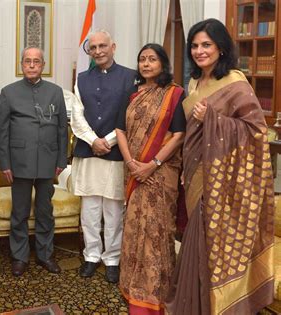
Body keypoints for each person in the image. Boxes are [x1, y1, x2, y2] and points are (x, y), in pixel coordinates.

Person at [165, 18, 275, 314]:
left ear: (221, 48)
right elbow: (189, 132)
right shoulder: (192, 82)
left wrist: (213, 119)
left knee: (206, 244)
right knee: (193, 240)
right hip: (194, 171)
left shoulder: (235, 82)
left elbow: (255, 131)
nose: (199, 51)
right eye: (195, 46)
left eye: (206, 45)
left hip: (222, 181)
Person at [115, 43, 186, 314]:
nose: (146, 64)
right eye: (142, 59)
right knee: (135, 231)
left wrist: (152, 164)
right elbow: (120, 129)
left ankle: (157, 292)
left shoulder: (174, 94)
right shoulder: (132, 94)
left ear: (162, 64)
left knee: (156, 233)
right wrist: (132, 163)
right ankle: (134, 288)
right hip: (134, 172)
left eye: (152, 59)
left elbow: (179, 135)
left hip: (160, 175)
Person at [71, 30, 137, 283]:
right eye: (93, 47)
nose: (98, 51)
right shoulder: (82, 78)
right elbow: (77, 113)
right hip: (88, 152)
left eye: (103, 46)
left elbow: (131, 115)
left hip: (116, 152)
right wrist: (92, 140)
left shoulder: (131, 77)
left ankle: (112, 259)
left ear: (113, 47)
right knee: (89, 210)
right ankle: (91, 256)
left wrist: (107, 141)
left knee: (113, 211)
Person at [0, 47, 68, 277]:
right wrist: (5, 163)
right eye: (27, 61)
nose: (31, 65)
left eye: (36, 61)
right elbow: (2, 131)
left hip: (48, 161)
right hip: (19, 162)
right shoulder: (9, 93)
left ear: (43, 65)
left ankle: (45, 255)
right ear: (21, 64)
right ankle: (20, 257)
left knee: (45, 212)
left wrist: (61, 159)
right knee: (20, 212)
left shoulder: (56, 92)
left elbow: (61, 130)